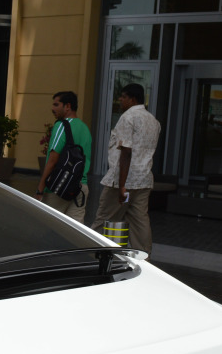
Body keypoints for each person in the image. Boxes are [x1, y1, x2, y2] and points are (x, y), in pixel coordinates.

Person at [91, 84, 160, 256]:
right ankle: (143, 256)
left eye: (123, 97)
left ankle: (92, 254)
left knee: (104, 219)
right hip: (143, 179)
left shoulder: (128, 117)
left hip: (122, 181)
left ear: (133, 99)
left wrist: (122, 186)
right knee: (140, 221)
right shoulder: (153, 121)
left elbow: (126, 152)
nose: (120, 100)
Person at [37, 90, 91, 220]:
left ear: (68, 106)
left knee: (49, 226)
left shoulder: (62, 126)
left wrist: (40, 188)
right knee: (74, 231)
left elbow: (53, 160)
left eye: (56, 105)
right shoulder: (85, 128)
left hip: (60, 186)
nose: (52, 108)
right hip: (80, 186)